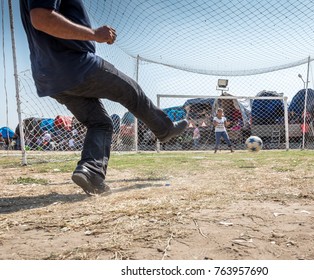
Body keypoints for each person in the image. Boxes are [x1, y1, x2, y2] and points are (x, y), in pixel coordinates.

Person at [20, 0, 188, 196]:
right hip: (76, 65)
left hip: (49, 77)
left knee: (100, 123)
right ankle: (165, 129)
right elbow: (41, 18)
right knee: (132, 92)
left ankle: (90, 172)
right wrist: (94, 34)